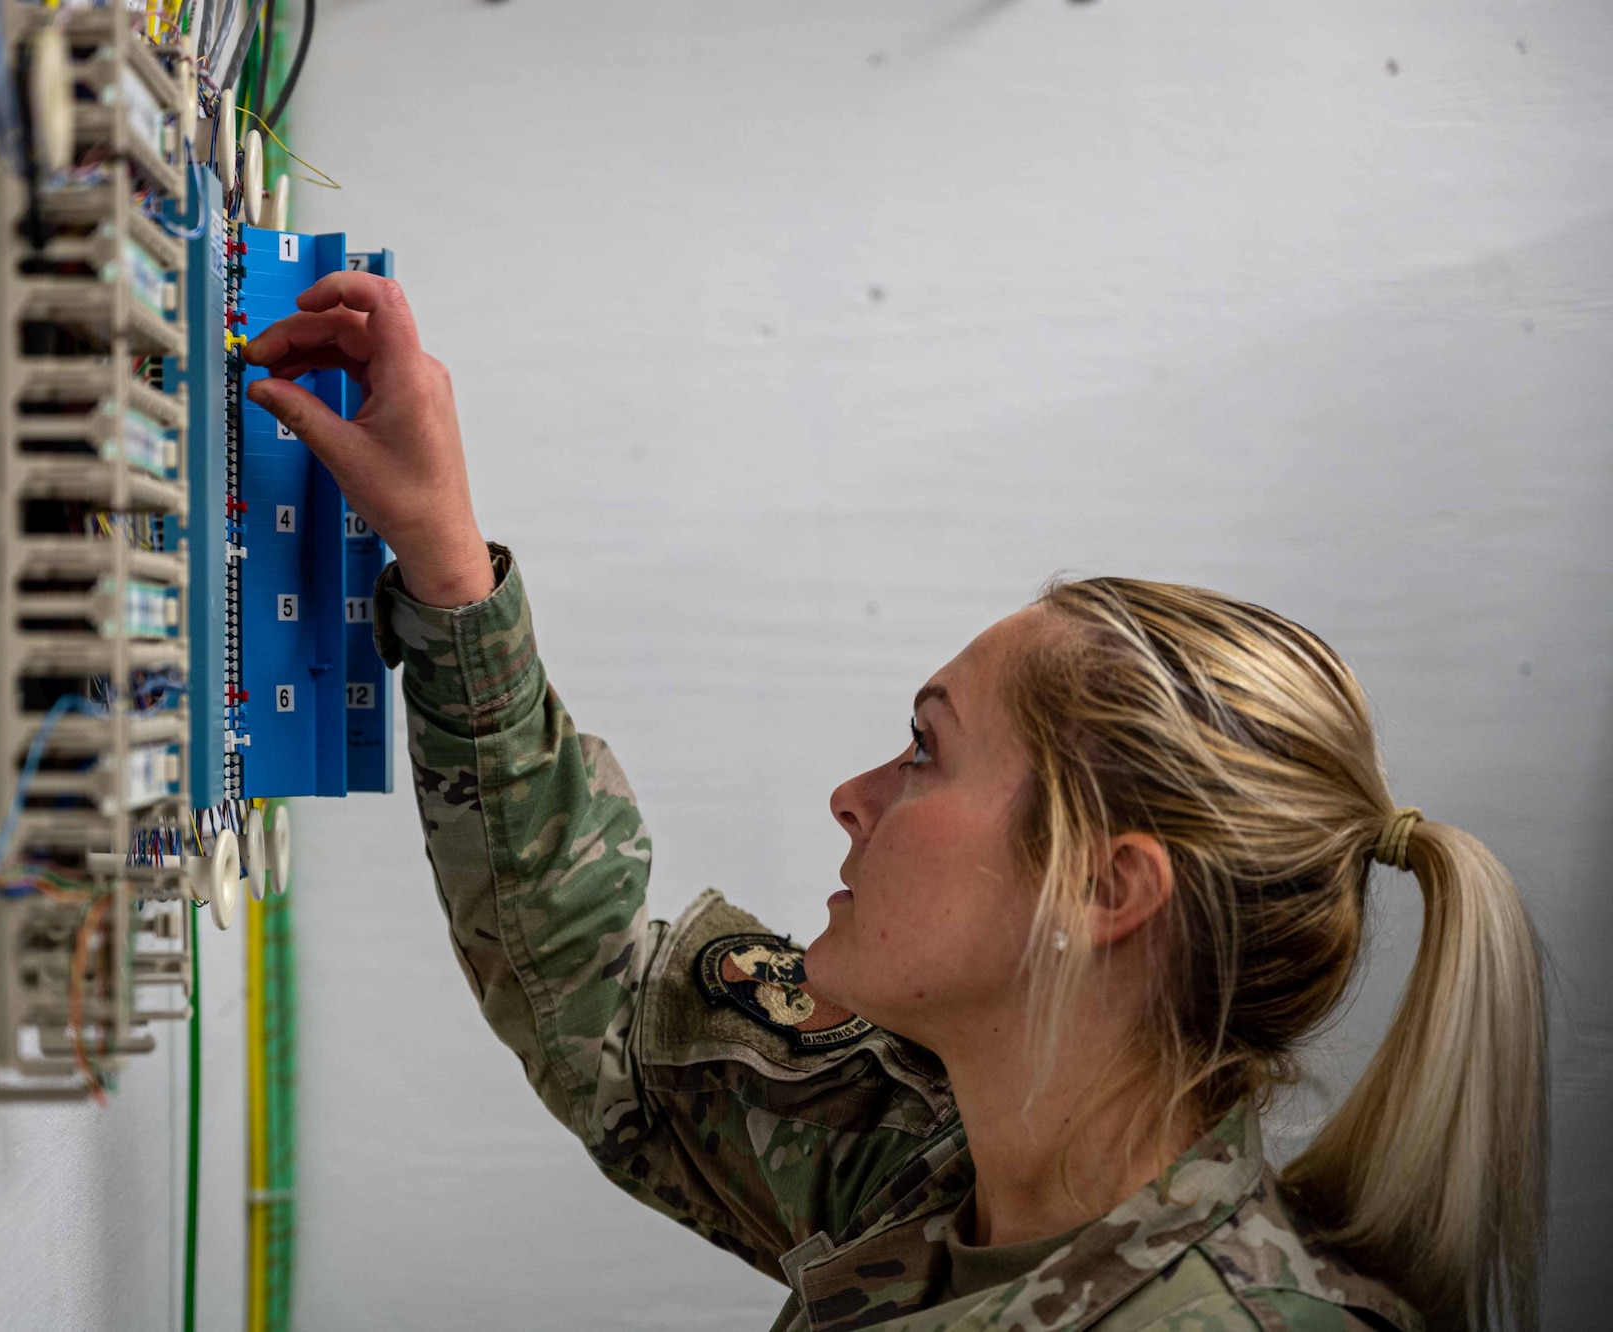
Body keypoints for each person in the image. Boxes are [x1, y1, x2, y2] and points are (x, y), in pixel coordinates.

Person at [244, 273, 1549, 1332]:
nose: (852, 798)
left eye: (925, 752)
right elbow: (593, 990)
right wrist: (448, 566)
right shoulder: (932, 1162)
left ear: (1106, 888)